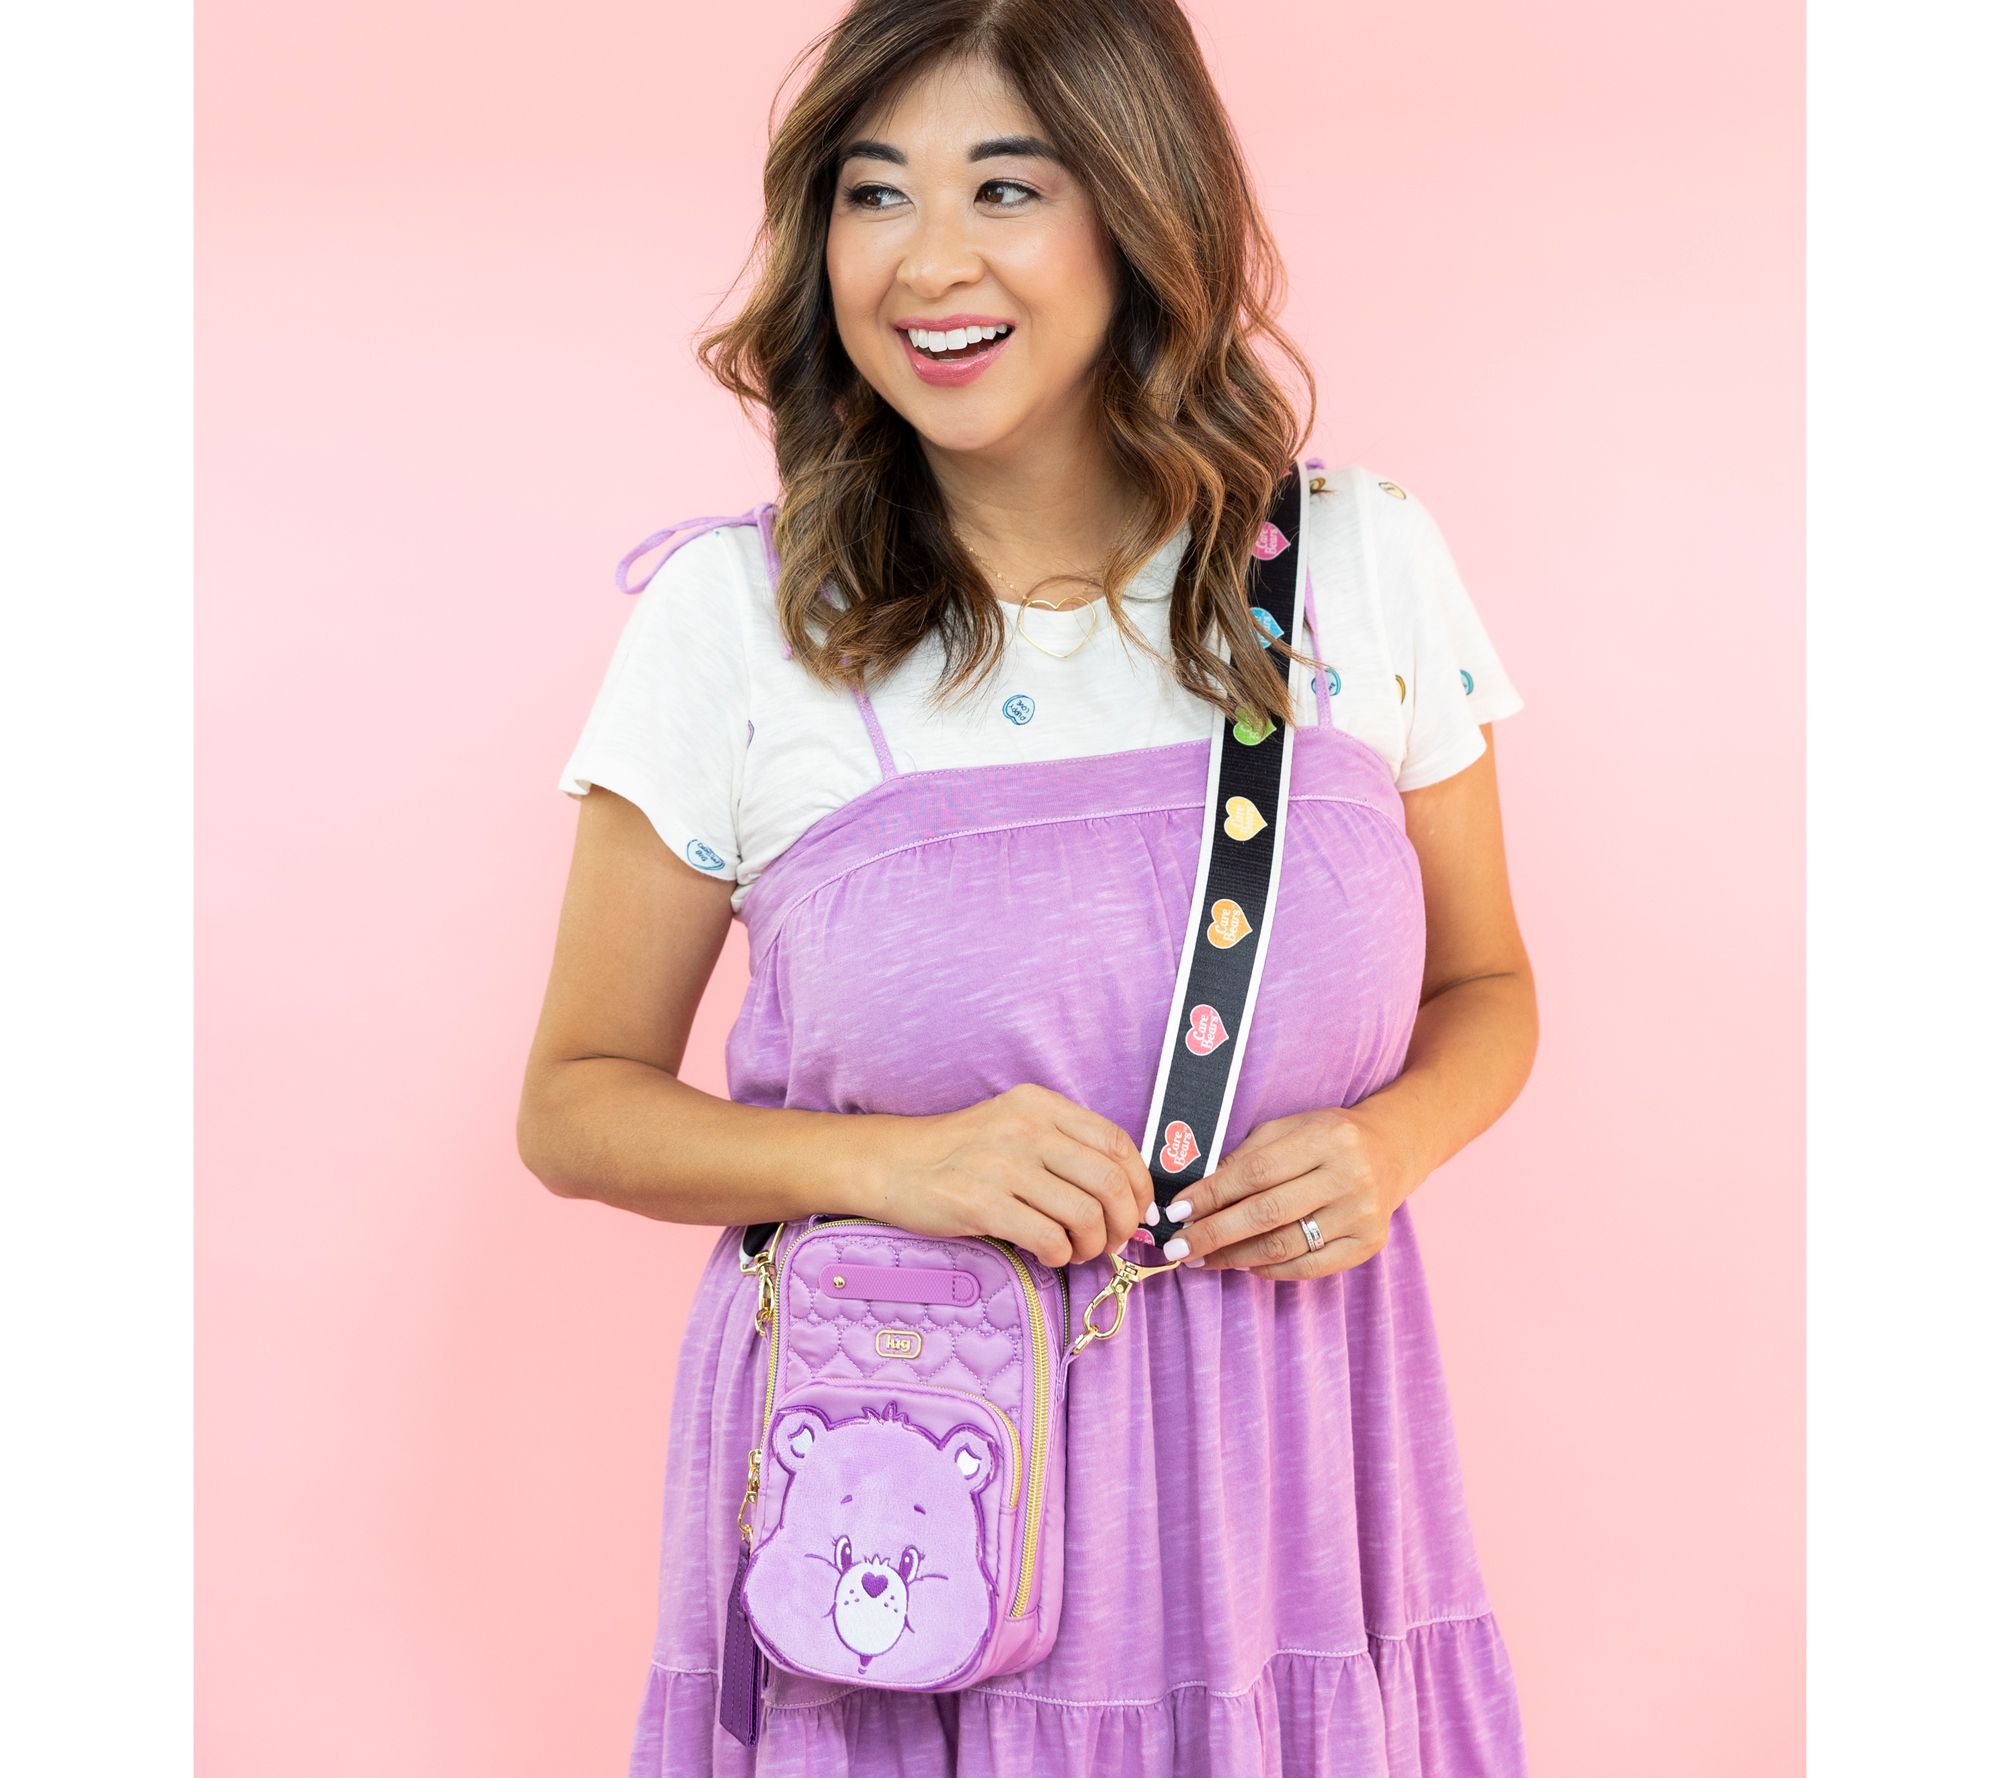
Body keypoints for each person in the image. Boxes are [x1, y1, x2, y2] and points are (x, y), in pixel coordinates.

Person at [517, 1, 1537, 1771]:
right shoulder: (740, 622)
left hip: (1292, 1493)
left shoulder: (1361, 564)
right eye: (872, 193)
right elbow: (575, 1104)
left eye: (1005, 187)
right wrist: (895, 1166)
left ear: (1141, 213)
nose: (926, 262)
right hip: (909, 1516)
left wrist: (1389, 1147)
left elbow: (1488, 991)